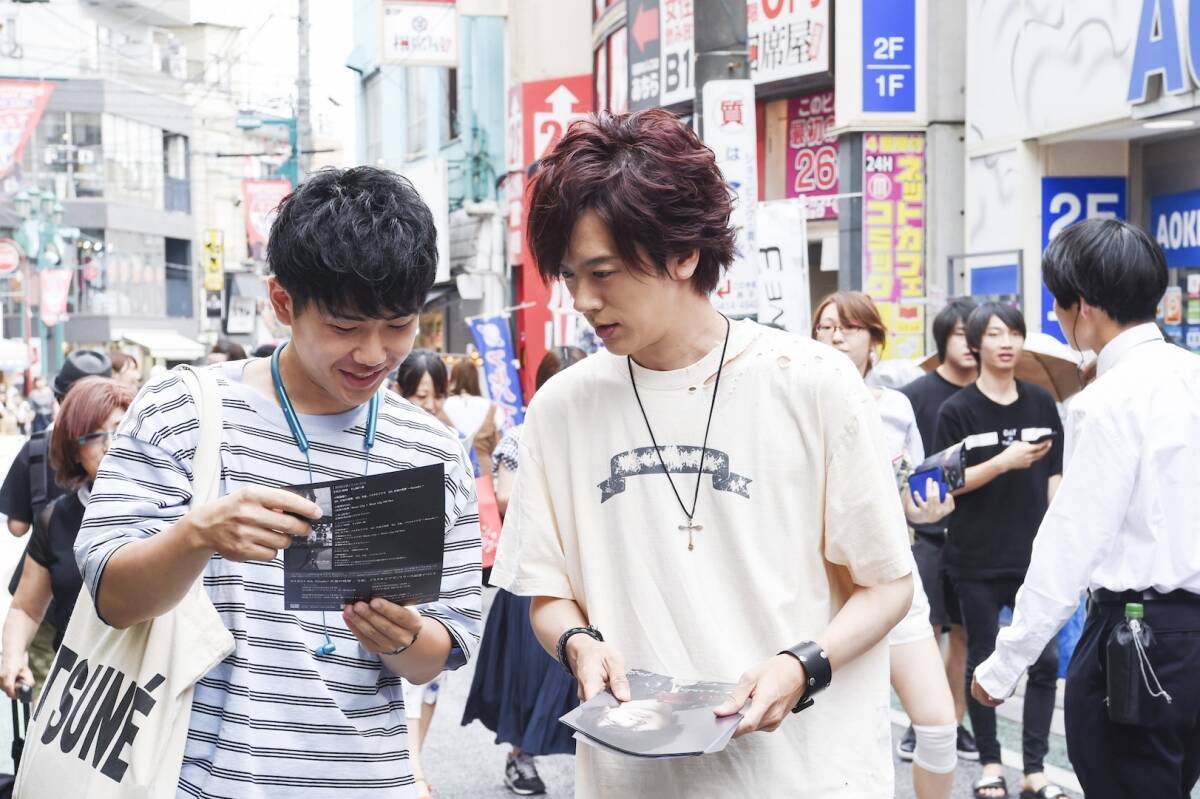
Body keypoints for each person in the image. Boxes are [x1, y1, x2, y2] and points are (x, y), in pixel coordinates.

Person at [491, 109, 915, 798]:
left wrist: (800, 665)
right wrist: (577, 643)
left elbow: (889, 584)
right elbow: (549, 594)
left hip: (803, 775)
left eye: (603, 272)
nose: (585, 301)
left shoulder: (812, 382)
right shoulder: (561, 408)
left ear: (685, 253)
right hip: (632, 779)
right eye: (570, 277)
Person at [73, 166, 482, 797]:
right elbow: (112, 598)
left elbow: (440, 651)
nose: (373, 354)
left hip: (370, 780)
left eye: (398, 325)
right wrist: (196, 536)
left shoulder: (433, 449)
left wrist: (403, 637)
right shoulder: (183, 411)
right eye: (344, 327)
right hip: (206, 781)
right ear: (283, 302)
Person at [972, 219, 1200, 799]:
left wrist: (1005, 665)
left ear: (1085, 306)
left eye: (1057, 302)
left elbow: (1070, 543)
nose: (1055, 316)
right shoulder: (1192, 376)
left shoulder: (1105, 402)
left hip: (1134, 639)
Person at [813, 292, 959, 799]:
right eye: (826, 327)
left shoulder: (896, 407)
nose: (836, 337)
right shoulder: (800, 404)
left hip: (894, 579)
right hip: (825, 586)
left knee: (938, 728)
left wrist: (927, 509)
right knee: (839, 735)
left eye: (849, 327)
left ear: (874, 339)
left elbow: (908, 495)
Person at [933, 301, 1065, 799]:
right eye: (994, 333)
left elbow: (1055, 478)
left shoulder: (1042, 403)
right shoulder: (956, 411)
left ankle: (1035, 769)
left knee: (1045, 661)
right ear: (975, 344)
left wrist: (1062, 535)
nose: (1006, 342)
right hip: (976, 556)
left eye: (1013, 333)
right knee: (983, 660)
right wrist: (1003, 462)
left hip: (1034, 559)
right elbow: (944, 484)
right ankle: (991, 763)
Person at [462, 345, 587, 797]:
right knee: (531, 674)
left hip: (587, 574)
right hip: (531, 572)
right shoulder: (521, 437)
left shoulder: (600, 433)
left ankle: (598, 767)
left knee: (586, 677)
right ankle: (521, 757)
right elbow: (504, 499)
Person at [0, 377, 134, 698]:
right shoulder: (56, 519)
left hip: (151, 691)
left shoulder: (170, 509)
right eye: (94, 436)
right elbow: (26, 609)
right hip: (77, 695)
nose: (110, 445)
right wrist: (13, 656)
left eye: (120, 430)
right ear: (74, 451)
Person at [898, 297, 980, 762]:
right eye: (960, 335)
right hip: (925, 530)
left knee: (964, 634)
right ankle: (921, 722)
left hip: (974, 529)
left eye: (976, 335)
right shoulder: (915, 394)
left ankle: (954, 720)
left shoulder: (990, 393)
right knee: (926, 629)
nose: (970, 344)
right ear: (942, 338)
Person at [391, 347, 466, 799]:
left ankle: (415, 758)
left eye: (437, 395)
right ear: (400, 391)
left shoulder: (450, 441)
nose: (430, 404)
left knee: (431, 680)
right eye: (420, 395)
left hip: (437, 573)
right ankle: (411, 770)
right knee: (403, 681)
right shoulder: (388, 438)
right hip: (399, 570)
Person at [445, 357, 505, 445]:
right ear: (476, 379)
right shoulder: (493, 408)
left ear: (453, 379)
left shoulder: (443, 406)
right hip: (484, 453)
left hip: (451, 453)